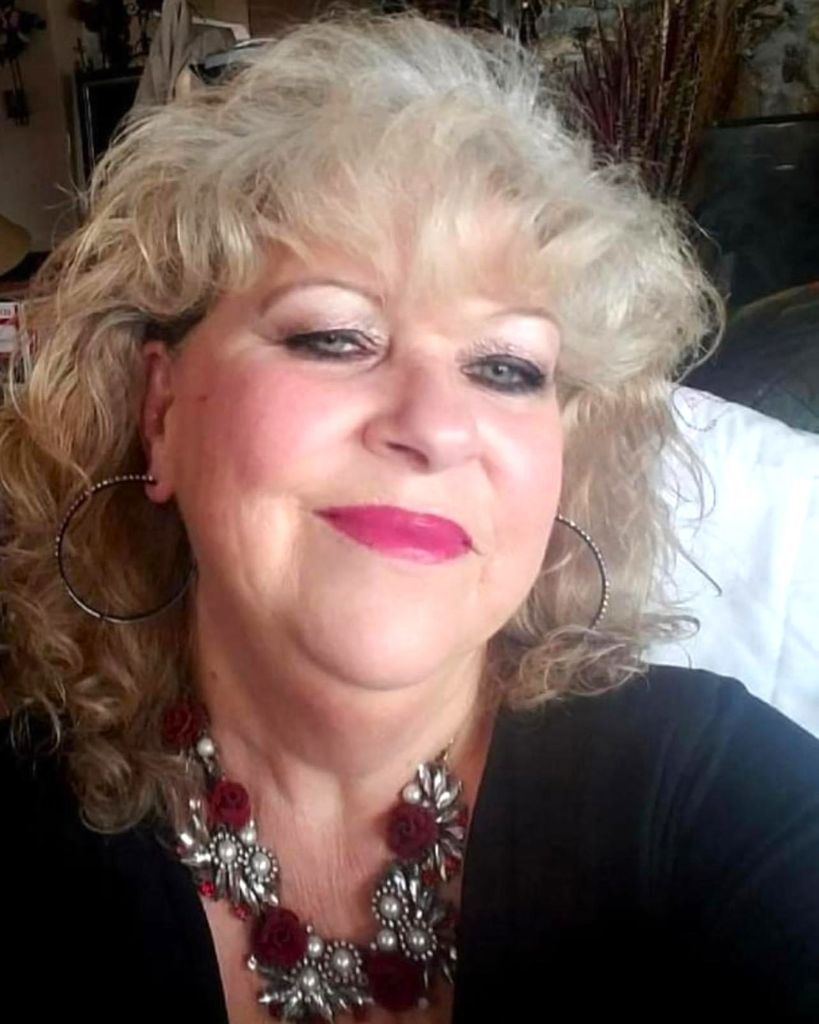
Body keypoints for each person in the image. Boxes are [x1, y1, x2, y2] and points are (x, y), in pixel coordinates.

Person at [1, 11, 817, 1024]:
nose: (435, 427)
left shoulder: (715, 791)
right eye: (336, 336)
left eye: (506, 367)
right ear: (161, 413)